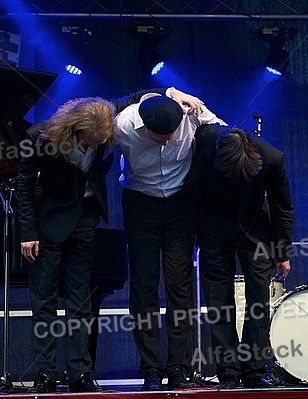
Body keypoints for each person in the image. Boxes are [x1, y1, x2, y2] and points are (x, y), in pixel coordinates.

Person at [18, 90, 203, 393]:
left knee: (81, 302)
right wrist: (28, 233)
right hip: (48, 225)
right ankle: (46, 371)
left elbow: (143, 95)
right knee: (44, 301)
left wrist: (174, 93)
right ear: (75, 128)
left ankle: (80, 371)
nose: (98, 144)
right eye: (93, 140)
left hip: (85, 222)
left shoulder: (106, 116)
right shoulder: (38, 137)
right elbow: (25, 188)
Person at [115, 94, 225, 391]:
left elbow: (225, 133)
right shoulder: (124, 123)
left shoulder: (190, 114)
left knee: (180, 286)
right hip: (140, 203)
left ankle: (179, 367)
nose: (166, 142)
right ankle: (150, 369)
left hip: (180, 204)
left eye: (171, 136)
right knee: (144, 286)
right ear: (143, 124)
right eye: (158, 137)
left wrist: (192, 103)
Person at [188, 124, 294, 388]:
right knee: (219, 301)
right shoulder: (204, 142)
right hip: (213, 227)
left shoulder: (271, 158)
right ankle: (228, 372)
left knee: (259, 298)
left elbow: (283, 206)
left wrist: (282, 252)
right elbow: (188, 188)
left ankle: (254, 370)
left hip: (255, 228)